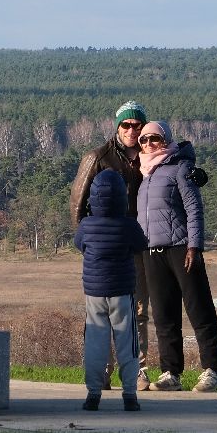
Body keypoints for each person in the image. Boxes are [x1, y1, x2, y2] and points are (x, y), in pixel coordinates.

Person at [134, 120, 217, 392]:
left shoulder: (180, 169)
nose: (149, 144)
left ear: (166, 140)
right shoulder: (143, 173)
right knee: (163, 315)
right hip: (152, 251)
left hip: (181, 248)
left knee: (199, 308)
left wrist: (194, 247)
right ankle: (170, 373)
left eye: (155, 139)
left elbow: (194, 208)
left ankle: (213, 370)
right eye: (144, 140)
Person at [70, 100, 153, 391]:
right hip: (104, 250)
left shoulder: (150, 156)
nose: (132, 130)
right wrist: (89, 240)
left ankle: (138, 371)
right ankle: (101, 370)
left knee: (138, 309)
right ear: (117, 126)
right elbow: (77, 201)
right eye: (126, 125)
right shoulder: (98, 157)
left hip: (137, 245)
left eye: (137, 125)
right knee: (100, 313)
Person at [72, 168, 147, 411]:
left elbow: (79, 244)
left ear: (93, 197)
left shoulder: (86, 225)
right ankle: (130, 395)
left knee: (95, 343)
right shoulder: (128, 225)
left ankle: (93, 393)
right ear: (122, 198)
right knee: (127, 342)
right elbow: (141, 245)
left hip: (94, 292)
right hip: (123, 292)